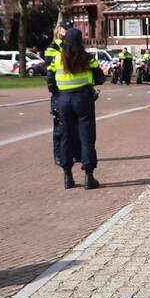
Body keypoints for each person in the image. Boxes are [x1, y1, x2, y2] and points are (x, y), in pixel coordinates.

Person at [48, 28, 105, 189]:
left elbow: (50, 81)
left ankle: (68, 176)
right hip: (83, 99)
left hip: (63, 100)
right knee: (86, 136)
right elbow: (100, 77)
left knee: (66, 136)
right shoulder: (87, 58)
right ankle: (89, 176)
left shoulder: (58, 58)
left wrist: (57, 95)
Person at [44, 20, 73, 167]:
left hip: (70, 90)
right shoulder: (53, 47)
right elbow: (49, 70)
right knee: (59, 126)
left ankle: (71, 153)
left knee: (71, 125)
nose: (67, 32)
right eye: (65, 29)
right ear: (59, 30)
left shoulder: (71, 45)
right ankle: (58, 154)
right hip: (58, 91)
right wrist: (53, 89)